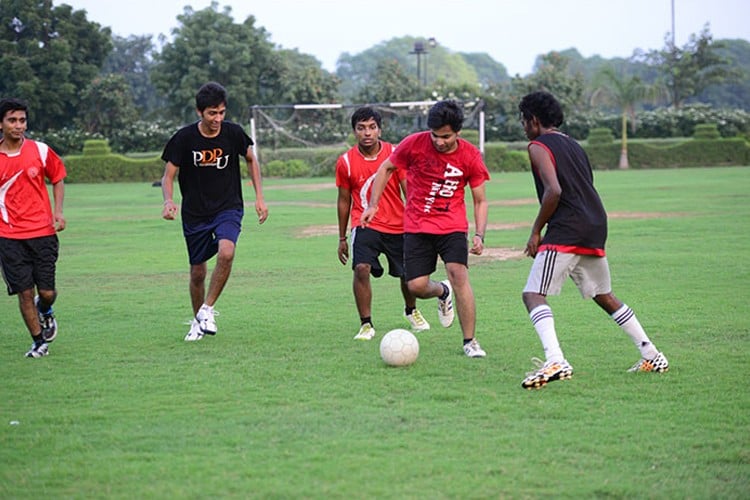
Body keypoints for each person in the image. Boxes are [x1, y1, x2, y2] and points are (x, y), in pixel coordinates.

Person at [517, 90, 669, 389]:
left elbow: (555, 191)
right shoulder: (574, 144)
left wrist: (536, 231)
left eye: (523, 121)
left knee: (533, 294)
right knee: (603, 294)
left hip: (568, 227)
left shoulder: (537, 145)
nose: (523, 127)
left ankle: (555, 360)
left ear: (533, 120)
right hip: (595, 223)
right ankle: (651, 354)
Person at [361, 100, 490, 358]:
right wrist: (373, 204)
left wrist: (479, 234)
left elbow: (480, 199)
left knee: (458, 273)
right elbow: (387, 167)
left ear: (457, 132)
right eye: (435, 135)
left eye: (446, 136)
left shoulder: (470, 155)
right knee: (417, 287)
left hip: (452, 225)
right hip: (417, 226)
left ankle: (470, 341)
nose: (439, 142)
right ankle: (442, 291)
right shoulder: (414, 144)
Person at [161, 82, 268, 341]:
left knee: (227, 251)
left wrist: (259, 198)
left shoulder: (233, 133)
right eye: (212, 113)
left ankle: (207, 309)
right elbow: (168, 176)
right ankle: (198, 321)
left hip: (228, 207)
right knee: (198, 272)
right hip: (195, 213)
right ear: (200, 112)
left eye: (221, 112)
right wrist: (168, 200)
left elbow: (252, 160)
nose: (217, 119)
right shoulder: (184, 138)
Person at [336, 106, 429, 340]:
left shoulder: (396, 154)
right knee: (361, 268)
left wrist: (418, 226)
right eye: (361, 128)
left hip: (399, 225)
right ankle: (366, 324)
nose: (367, 133)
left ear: (379, 129)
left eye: (372, 127)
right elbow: (344, 201)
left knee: (407, 274)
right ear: (354, 131)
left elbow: (410, 191)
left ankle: (411, 311)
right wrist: (341, 238)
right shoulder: (345, 162)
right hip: (365, 223)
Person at [0, 98, 66, 358]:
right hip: (8, 236)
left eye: (22, 120)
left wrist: (58, 212)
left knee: (46, 292)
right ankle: (39, 342)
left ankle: (46, 309)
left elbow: (58, 178)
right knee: (24, 292)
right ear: (1, 124)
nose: (18, 126)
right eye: (12, 120)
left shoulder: (40, 150)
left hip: (43, 233)